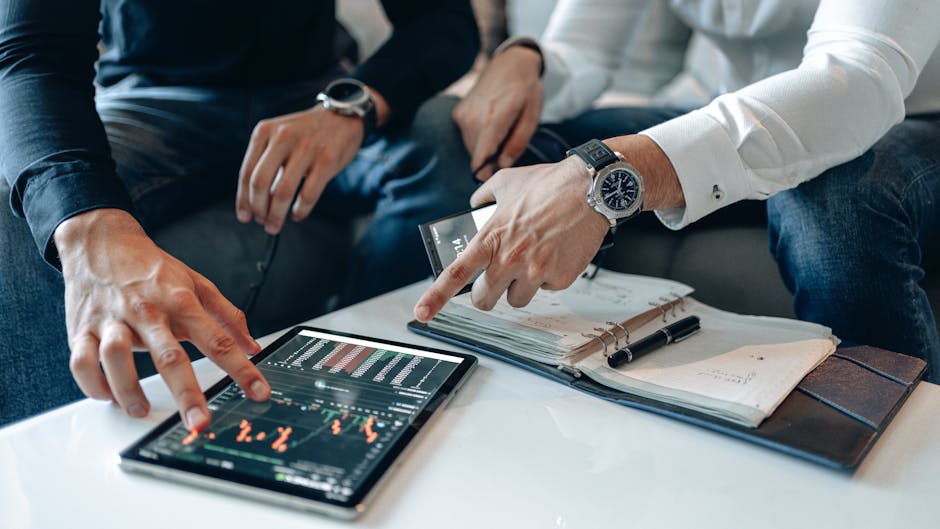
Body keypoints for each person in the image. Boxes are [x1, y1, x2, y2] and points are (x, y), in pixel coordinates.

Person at [0, 0, 479, 427]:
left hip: (314, 97)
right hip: (152, 101)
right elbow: (33, 54)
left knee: (447, 136)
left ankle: (379, 372)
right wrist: (90, 225)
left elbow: (443, 19)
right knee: (15, 215)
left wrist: (353, 106)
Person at [412, 0, 940, 382]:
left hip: (906, 114)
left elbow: (855, 82)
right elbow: (583, 46)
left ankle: (898, 459)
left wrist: (608, 178)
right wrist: (526, 59)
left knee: (829, 193)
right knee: (515, 139)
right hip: (716, 103)